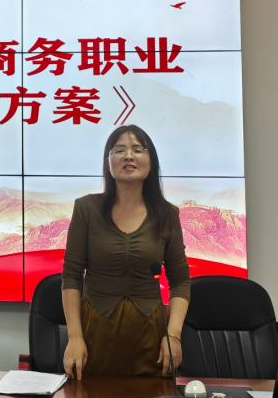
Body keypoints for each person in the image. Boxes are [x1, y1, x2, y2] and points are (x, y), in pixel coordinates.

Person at [61, 125, 191, 379]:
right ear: (108, 161)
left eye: (138, 149)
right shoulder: (86, 208)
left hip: (150, 335)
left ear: (151, 161)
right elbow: (71, 276)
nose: (128, 156)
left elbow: (180, 281)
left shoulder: (167, 214)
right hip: (95, 332)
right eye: (119, 150)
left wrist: (174, 335)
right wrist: (75, 337)